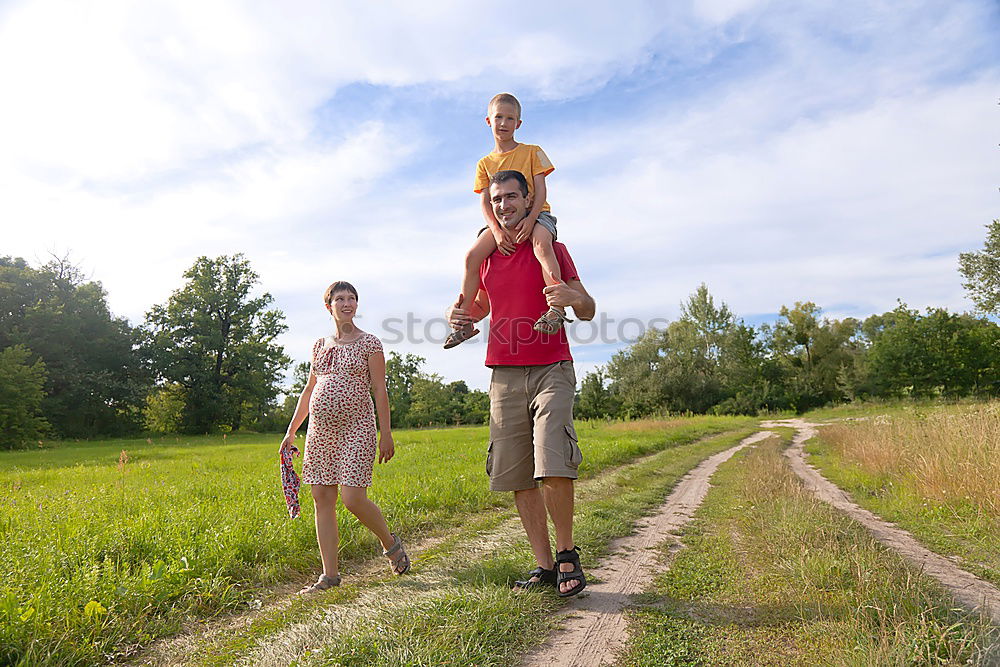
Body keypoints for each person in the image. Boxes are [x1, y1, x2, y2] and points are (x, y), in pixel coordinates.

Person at [447, 170, 596, 596]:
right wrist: (456, 316)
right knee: (516, 473)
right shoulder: (488, 255)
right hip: (504, 373)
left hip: (552, 366)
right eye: (496, 200)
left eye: (511, 197)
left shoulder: (552, 247)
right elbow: (475, 309)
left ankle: (567, 554)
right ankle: (544, 566)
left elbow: (586, 308)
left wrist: (574, 299)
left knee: (552, 461)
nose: (504, 205)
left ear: (528, 199)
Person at [280, 281, 410, 593]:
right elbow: (310, 389)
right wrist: (291, 430)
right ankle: (330, 576)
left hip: (358, 428)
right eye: (340, 298)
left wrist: (386, 433)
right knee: (322, 498)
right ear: (329, 306)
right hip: (321, 432)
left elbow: (380, 389)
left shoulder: (370, 344)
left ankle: (390, 544)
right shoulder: (319, 345)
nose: (347, 303)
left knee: (353, 498)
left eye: (352, 298)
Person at [444, 92, 569, 349]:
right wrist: (496, 231)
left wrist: (532, 218)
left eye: (510, 118)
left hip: (536, 213)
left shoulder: (533, 152)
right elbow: (485, 202)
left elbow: (541, 189)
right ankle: (464, 321)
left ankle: (555, 308)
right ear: (488, 121)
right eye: (498, 117)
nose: (503, 123)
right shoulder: (484, 163)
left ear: (518, 124)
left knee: (542, 246)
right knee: (471, 256)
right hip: (500, 221)